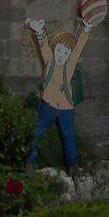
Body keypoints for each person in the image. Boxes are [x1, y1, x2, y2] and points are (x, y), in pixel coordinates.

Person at [25, 14, 93, 173]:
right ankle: (30, 162)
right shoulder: (50, 61)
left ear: (70, 55)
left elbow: (79, 48)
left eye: (66, 52)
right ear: (55, 48)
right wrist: (39, 31)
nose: (62, 55)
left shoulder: (69, 67)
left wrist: (86, 30)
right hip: (48, 105)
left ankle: (73, 165)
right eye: (59, 50)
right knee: (37, 132)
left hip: (65, 108)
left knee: (68, 135)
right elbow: (43, 45)